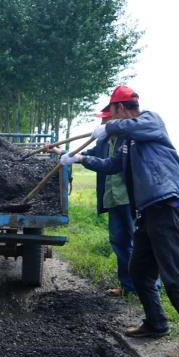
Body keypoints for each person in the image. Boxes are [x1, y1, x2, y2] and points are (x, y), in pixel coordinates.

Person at [62, 85, 179, 357]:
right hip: (147, 212)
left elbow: (133, 126)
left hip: (166, 207)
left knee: (174, 277)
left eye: (112, 112)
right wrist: (81, 158)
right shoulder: (129, 142)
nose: (110, 119)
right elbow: (112, 165)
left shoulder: (151, 121)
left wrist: (110, 129)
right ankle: (156, 323)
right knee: (139, 271)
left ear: (120, 108)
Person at [49, 111, 136, 297]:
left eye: (105, 120)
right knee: (119, 242)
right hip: (112, 199)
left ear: (115, 121)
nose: (102, 123)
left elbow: (111, 165)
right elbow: (83, 155)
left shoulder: (128, 140)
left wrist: (79, 158)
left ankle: (149, 287)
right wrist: (57, 151)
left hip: (130, 199)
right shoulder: (103, 143)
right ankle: (127, 286)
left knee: (138, 242)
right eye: (102, 120)